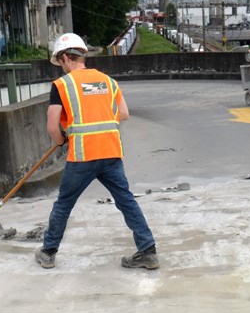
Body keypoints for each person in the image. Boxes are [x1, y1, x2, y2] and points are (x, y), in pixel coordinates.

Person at [35, 33, 158, 270]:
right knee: (126, 200)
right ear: (82, 55)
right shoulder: (108, 82)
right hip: (111, 152)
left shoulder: (61, 85)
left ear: (64, 58)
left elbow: (52, 127)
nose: (61, 67)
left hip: (82, 155)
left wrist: (62, 139)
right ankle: (148, 251)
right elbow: (123, 114)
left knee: (64, 203)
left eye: (60, 62)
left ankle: (48, 252)